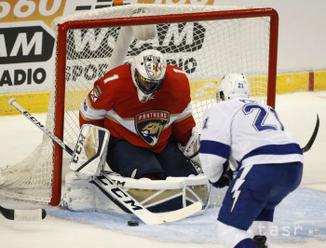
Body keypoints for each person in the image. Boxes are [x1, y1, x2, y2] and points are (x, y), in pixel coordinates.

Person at [199, 73, 303, 248]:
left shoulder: (220, 108)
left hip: (260, 167)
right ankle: (260, 240)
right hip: (294, 166)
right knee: (263, 204)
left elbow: (212, 155)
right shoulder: (266, 107)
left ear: (222, 94)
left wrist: (217, 178)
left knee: (228, 230)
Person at [79, 49, 200, 180]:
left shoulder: (178, 82)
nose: (148, 87)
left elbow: (182, 119)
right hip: (123, 142)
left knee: (188, 178)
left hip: (162, 143)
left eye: (154, 83)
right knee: (149, 178)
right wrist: (91, 149)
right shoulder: (113, 83)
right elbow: (89, 114)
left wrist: (189, 141)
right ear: (134, 71)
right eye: (145, 81)